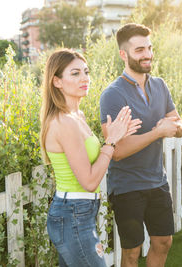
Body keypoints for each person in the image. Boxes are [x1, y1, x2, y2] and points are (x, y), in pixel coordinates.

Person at [40, 49, 141, 267]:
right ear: (57, 81)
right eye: (75, 73)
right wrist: (111, 141)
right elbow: (89, 181)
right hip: (73, 215)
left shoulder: (78, 117)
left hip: (80, 213)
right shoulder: (64, 122)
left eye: (86, 72)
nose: (85, 78)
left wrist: (117, 136)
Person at [99, 23, 182, 267]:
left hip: (158, 180)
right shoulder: (113, 95)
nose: (147, 54)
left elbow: (178, 125)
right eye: (139, 50)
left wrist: (174, 128)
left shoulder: (160, 85)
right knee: (132, 252)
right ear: (123, 55)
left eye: (149, 47)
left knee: (163, 242)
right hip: (127, 187)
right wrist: (157, 132)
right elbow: (117, 150)